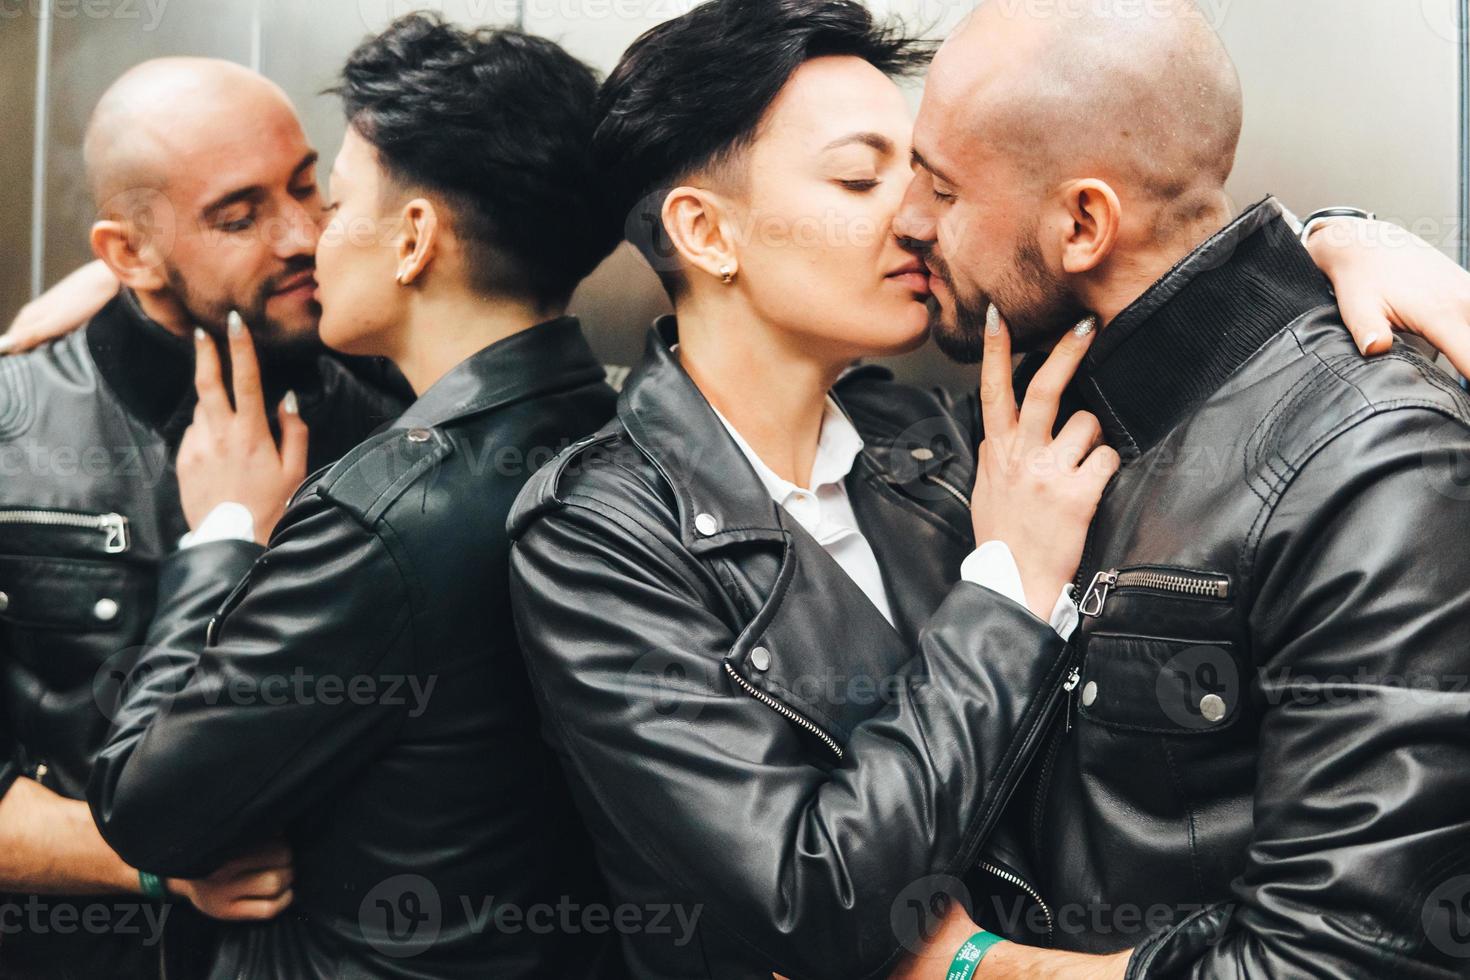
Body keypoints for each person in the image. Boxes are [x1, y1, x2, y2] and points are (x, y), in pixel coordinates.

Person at [502, 1, 1470, 977]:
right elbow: (802, 897)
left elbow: (1172, 273)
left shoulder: (950, 438)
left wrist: (1343, 243)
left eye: (927, 178)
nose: (911, 218)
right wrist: (1007, 589)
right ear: (706, 233)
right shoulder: (598, 532)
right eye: (860, 175)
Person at [888, 1, 1470, 976]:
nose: (908, 219)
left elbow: (1341, 960)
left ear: (1082, 222)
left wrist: (972, 963)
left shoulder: (1378, 464)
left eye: (941, 187)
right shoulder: (1062, 393)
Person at [86, 14, 624, 978]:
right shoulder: (620, 431)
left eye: (330, 203)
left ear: (414, 239)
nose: (310, 240)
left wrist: (222, 534)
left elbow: (147, 810)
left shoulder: (384, 520)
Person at [0, 57, 405, 979]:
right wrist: (156, 860)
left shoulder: (395, 404)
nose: (304, 234)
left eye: (309, 184)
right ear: (128, 255)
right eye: (241, 215)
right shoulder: (11, 430)